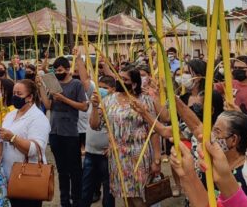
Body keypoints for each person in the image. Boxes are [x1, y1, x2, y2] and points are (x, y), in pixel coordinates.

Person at [91, 66, 160, 207]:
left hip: (138, 156)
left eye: (124, 79)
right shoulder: (109, 100)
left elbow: (154, 130)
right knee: (125, 195)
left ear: (134, 83)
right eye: (119, 77)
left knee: (139, 196)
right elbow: (95, 125)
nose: (119, 81)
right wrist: (94, 106)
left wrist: (157, 160)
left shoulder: (144, 100)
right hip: (117, 157)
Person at [38, 57, 87, 207]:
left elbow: (84, 107)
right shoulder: (54, 83)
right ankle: (65, 202)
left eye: (60, 70)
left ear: (67, 69)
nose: (58, 73)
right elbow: (48, 105)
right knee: (62, 170)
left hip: (70, 133)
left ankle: (77, 201)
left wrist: (64, 99)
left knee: (75, 171)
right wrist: (41, 86)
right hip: (55, 132)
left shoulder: (76, 84)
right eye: (55, 70)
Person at [0, 79, 50, 207]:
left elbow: (35, 149)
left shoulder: (38, 118)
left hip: (27, 178)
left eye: (19, 94)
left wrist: (13, 138)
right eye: (14, 93)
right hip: (7, 177)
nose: (15, 96)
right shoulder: (10, 115)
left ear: (30, 97)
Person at [81, 76, 117, 207]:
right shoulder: (94, 100)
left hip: (107, 155)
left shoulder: (116, 105)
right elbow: (94, 125)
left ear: (113, 90)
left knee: (108, 191)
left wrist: (114, 146)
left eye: (105, 88)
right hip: (90, 152)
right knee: (86, 189)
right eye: (99, 87)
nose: (101, 90)